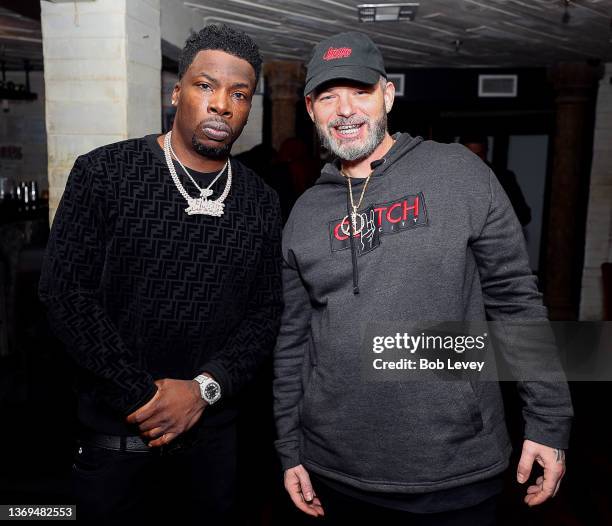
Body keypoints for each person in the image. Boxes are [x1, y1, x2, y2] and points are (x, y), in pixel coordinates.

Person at [273, 31, 572, 525]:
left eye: (360, 92)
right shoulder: (304, 213)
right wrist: (288, 446)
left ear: (387, 95)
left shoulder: (459, 173)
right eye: (328, 96)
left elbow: (516, 305)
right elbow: (293, 341)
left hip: (455, 466)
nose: (345, 110)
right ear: (310, 108)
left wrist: (548, 420)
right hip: (334, 468)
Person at [39, 24, 282, 525]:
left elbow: (267, 310)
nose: (222, 104)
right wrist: (146, 398)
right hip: (117, 443)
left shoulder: (261, 200)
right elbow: (65, 295)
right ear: (176, 92)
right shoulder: (104, 173)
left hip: (213, 446)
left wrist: (203, 390)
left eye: (239, 94)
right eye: (205, 86)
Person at [460, 135, 532, 227]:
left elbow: (523, 215)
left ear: (486, 153)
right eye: (468, 155)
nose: (473, 160)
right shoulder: (450, 177)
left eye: (479, 155)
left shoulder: (503, 178)